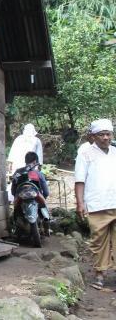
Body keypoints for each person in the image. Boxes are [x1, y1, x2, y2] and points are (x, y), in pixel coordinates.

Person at [75, 118, 116, 290]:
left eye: (108, 134)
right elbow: (79, 181)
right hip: (96, 204)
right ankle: (100, 274)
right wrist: (80, 203)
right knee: (98, 241)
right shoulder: (85, 154)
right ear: (93, 136)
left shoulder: (115, 152)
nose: (106, 137)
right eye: (102, 134)